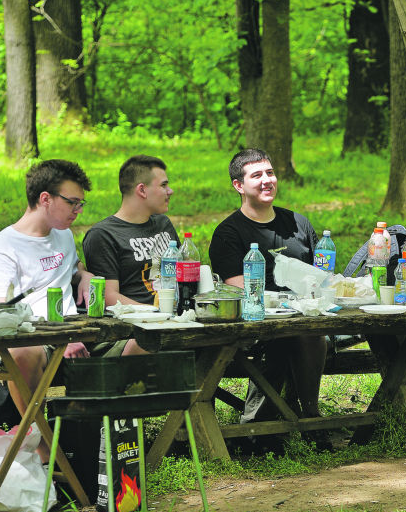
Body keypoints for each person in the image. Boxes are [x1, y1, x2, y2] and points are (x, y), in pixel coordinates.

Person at [0, 160, 132, 460]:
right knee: (25, 351)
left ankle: (112, 435)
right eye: (72, 202)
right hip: (34, 335)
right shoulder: (3, 249)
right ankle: (43, 445)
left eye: (81, 203)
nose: (79, 211)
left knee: (147, 340)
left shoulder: (61, 233)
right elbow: (3, 315)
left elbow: (72, 267)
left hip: (77, 330)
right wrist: (62, 338)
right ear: (45, 199)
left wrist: (84, 275)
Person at [209, 148, 330, 451]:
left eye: (270, 173)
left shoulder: (298, 223)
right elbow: (239, 289)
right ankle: (267, 430)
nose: (267, 180)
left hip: (308, 318)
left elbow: (321, 275)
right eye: (257, 175)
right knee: (291, 337)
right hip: (255, 324)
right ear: (239, 185)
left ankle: (310, 418)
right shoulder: (228, 233)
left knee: (309, 331)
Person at [82, 155, 179, 307]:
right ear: (142, 190)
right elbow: (108, 296)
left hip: (177, 313)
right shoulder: (103, 235)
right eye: (163, 185)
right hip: (135, 323)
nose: (170, 191)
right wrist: (155, 313)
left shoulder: (163, 224)